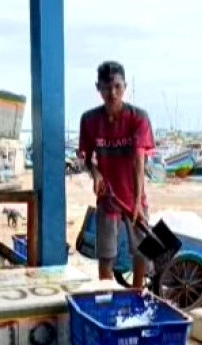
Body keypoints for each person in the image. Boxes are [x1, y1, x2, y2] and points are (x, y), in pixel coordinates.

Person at [78, 61, 155, 288]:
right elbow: (86, 158)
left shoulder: (138, 117)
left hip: (133, 198)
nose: (112, 93)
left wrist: (138, 201)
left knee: (143, 250)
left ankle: (138, 291)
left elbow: (138, 160)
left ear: (125, 86)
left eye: (117, 87)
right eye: (106, 87)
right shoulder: (89, 120)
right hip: (108, 198)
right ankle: (107, 293)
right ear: (98, 88)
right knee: (106, 254)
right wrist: (96, 174)